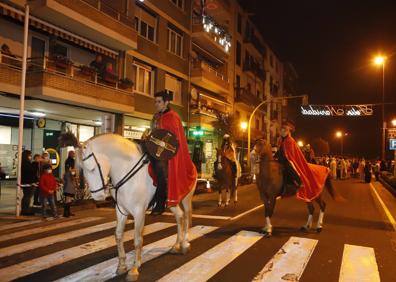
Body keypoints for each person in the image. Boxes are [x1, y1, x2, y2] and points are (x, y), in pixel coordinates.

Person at [148, 90, 197, 215]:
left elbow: (174, 138)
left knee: (160, 168)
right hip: (155, 149)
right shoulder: (156, 117)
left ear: (166, 102)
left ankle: (160, 202)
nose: (156, 104)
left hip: (167, 152)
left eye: (159, 102)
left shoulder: (173, 116)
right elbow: (153, 132)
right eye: (155, 102)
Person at [275, 121, 330, 201]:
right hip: (282, 158)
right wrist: (275, 156)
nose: (283, 132)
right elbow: (280, 150)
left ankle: (299, 181)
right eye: (281, 131)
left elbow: (289, 152)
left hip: (289, 159)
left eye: (284, 131)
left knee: (289, 166)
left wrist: (284, 157)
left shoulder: (290, 140)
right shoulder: (281, 140)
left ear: (287, 132)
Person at [21, 150, 39, 215]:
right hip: (28, 183)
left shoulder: (25, 162)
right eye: (30, 155)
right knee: (27, 197)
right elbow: (31, 171)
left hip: (28, 182)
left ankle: (26, 209)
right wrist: (36, 163)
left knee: (27, 197)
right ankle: (25, 211)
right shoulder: (25, 163)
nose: (30, 157)